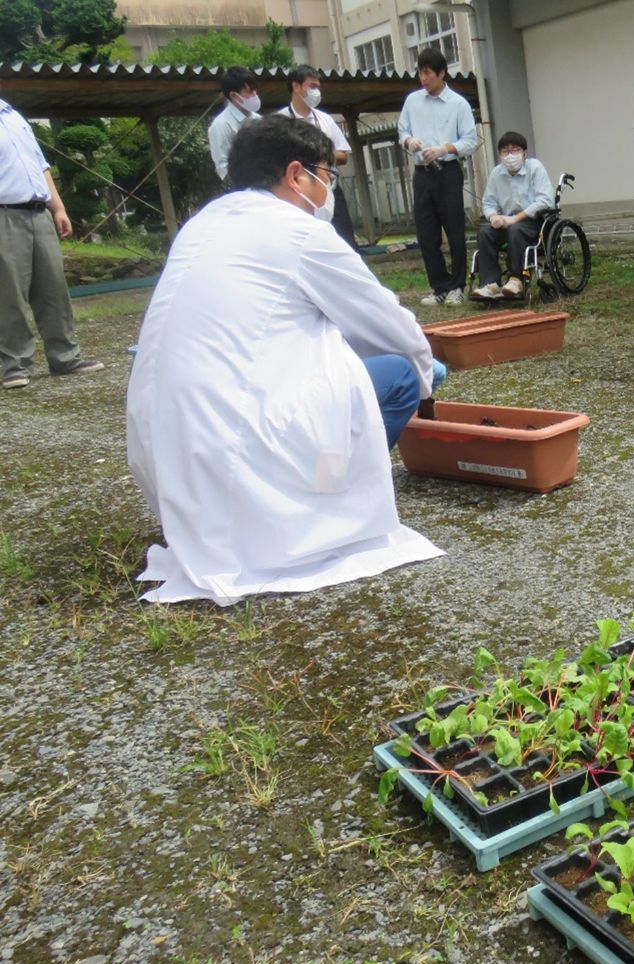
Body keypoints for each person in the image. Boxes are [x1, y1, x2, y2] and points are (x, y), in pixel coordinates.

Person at [126, 115, 447, 606]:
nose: (326, 192)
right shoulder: (297, 232)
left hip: (168, 457)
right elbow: (382, 321)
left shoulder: (203, 226)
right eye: (327, 175)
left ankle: (298, 492)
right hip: (240, 446)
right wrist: (425, 375)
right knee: (397, 378)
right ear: (297, 174)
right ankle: (330, 500)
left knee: (328, 353)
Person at [0, 93, 103, 389]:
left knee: (54, 288)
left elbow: (41, 165)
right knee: (10, 293)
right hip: (5, 214)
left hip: (39, 210)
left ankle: (66, 357)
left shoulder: (13, 115)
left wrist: (58, 207)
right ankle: (15, 365)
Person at [397, 48, 480, 307]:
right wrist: (409, 141)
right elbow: (402, 130)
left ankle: (457, 286)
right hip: (422, 174)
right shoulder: (412, 101)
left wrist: (444, 148)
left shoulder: (458, 104)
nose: (423, 78)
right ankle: (439, 287)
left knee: (454, 230)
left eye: (428, 73)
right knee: (426, 233)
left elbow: (470, 140)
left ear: (442, 73)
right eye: (420, 73)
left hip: (448, 172)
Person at [276, 64, 360, 250]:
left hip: (330, 188)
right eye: (311, 86)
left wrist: (321, 155)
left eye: (318, 87)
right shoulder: (280, 122)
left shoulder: (325, 120)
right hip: (297, 195)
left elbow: (343, 154)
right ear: (296, 87)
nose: (316, 92)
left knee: (345, 242)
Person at [470, 131, 552, 300]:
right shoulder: (497, 173)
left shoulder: (535, 168)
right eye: (505, 151)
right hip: (506, 220)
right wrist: (493, 217)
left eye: (514, 150)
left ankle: (517, 280)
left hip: (533, 221)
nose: (510, 155)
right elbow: (489, 202)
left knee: (516, 230)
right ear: (500, 155)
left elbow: (544, 200)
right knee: (485, 233)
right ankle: (489, 284)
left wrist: (515, 218)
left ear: (524, 153)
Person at [208, 65, 260, 182]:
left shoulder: (259, 120)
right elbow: (224, 169)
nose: (255, 95)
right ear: (234, 96)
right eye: (250, 91)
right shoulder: (221, 125)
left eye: (255, 90)